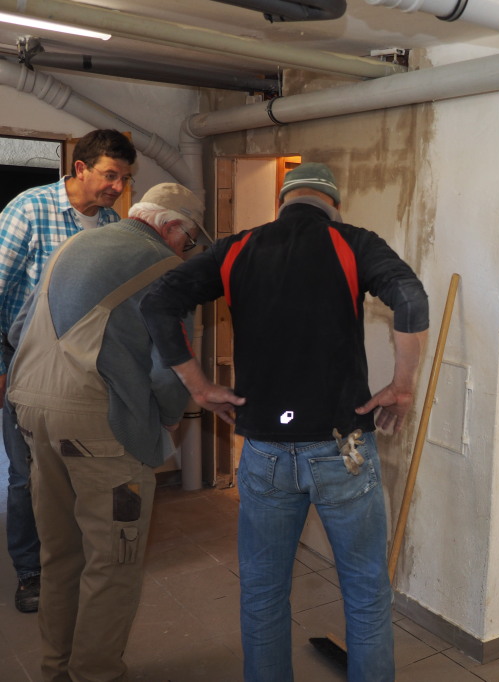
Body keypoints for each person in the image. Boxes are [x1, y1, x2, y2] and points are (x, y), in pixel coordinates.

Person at [140, 162, 429, 682]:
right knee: (365, 591)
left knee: (264, 593)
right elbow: (410, 298)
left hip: (266, 452)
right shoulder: (352, 242)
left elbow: (159, 302)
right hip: (341, 448)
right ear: (332, 204)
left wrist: (199, 387)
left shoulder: (236, 248)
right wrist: (403, 386)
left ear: (282, 202)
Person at [5, 182, 202, 681]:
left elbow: (18, 329)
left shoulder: (73, 245)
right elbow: (169, 370)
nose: (186, 250)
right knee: (114, 561)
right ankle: (95, 675)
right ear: (170, 227)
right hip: (98, 425)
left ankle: (56, 669)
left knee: (60, 554)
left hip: (31, 411)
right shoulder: (170, 270)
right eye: (188, 239)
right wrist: (169, 418)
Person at [0, 128, 137, 614]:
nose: (117, 187)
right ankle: (30, 571)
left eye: (124, 178)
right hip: (28, 369)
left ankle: (68, 561)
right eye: (110, 175)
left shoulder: (111, 224)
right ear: (80, 168)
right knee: (27, 476)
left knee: (79, 472)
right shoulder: (29, 210)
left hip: (88, 377)